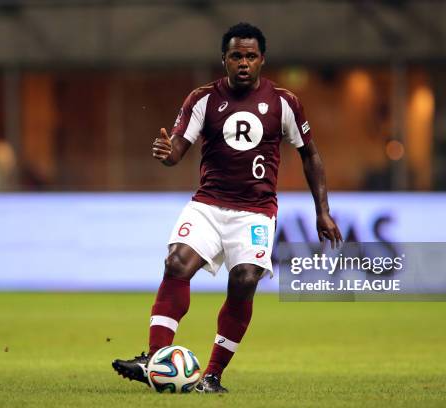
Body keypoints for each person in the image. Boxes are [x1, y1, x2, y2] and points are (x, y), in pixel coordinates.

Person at [112, 22, 342, 393]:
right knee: (176, 263)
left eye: (251, 56)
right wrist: (166, 154)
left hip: (255, 211)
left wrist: (323, 210)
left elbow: (310, 155)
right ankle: (155, 360)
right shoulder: (203, 99)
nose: (244, 63)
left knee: (245, 280)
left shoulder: (284, 103)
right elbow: (176, 150)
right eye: (236, 55)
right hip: (208, 205)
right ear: (224, 60)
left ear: (262, 59)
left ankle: (212, 376)